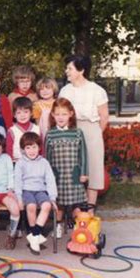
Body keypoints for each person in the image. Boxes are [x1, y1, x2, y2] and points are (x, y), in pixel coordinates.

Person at [59, 54, 109, 209]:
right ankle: (74, 209)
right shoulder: (65, 91)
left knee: (93, 169)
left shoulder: (97, 90)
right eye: (67, 68)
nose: (66, 71)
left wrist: (95, 134)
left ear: (81, 70)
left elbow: (104, 116)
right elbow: (60, 114)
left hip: (91, 129)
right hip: (71, 130)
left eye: (70, 68)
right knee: (73, 168)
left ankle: (90, 209)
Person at [46, 98, 89, 238]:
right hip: (57, 176)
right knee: (59, 205)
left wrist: (84, 173)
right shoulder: (50, 134)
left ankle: (80, 229)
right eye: (57, 114)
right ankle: (58, 226)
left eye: (64, 114)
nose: (60, 117)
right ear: (53, 115)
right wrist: (48, 177)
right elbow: (47, 158)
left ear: (71, 114)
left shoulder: (77, 132)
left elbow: (83, 154)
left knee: (77, 205)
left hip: (74, 174)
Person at [14, 132, 57, 255]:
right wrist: (19, 198)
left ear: (39, 147)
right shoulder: (20, 163)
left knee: (47, 205)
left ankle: (34, 235)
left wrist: (52, 198)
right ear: (23, 149)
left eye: (34, 147)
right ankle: (35, 235)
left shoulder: (44, 162)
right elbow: (17, 181)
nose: (31, 151)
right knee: (31, 206)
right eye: (28, 147)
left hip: (40, 190)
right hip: (26, 190)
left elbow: (50, 180)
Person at [6, 97, 41, 162]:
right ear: (14, 115)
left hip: (34, 162)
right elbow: (9, 150)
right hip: (17, 162)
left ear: (31, 113)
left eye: (25, 112)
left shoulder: (37, 129)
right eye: (19, 113)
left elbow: (41, 148)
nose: (22, 115)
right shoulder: (12, 131)